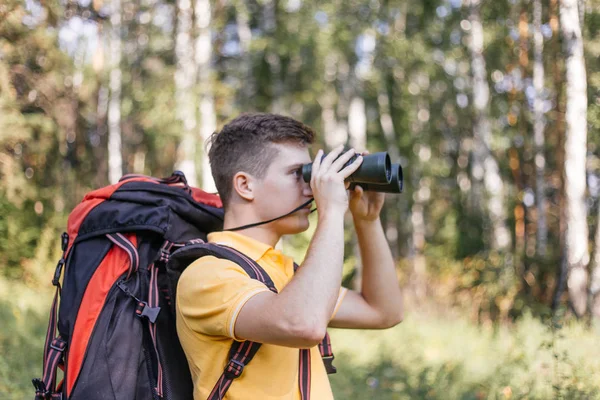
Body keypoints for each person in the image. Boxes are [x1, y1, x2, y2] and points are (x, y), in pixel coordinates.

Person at [176, 113, 403, 399]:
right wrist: (331, 211)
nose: (311, 187)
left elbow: (383, 311)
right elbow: (303, 325)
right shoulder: (207, 274)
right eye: (299, 174)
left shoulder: (285, 272)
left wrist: (367, 221)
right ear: (245, 185)